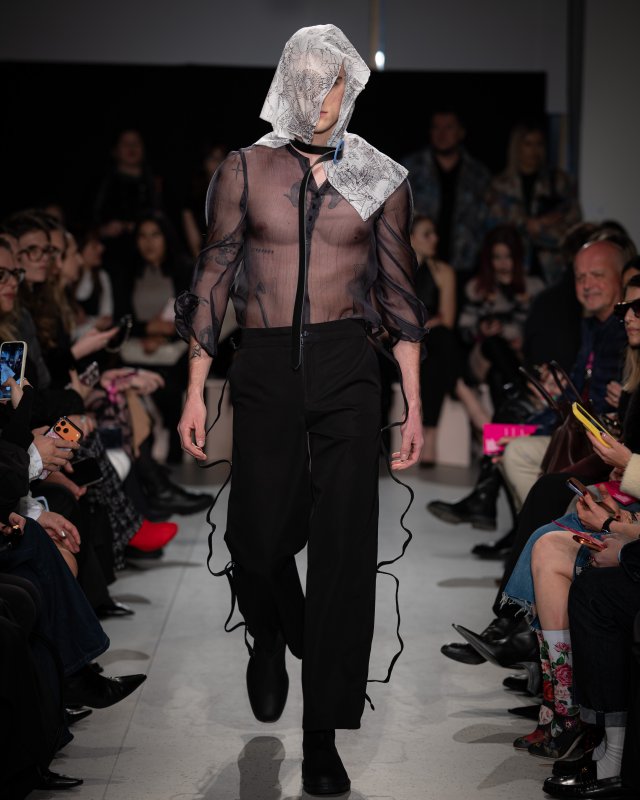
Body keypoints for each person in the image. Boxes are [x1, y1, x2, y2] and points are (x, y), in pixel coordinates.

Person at [174, 24, 427, 797]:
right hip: (262, 364)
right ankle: (271, 629)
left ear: (350, 85)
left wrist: (415, 401)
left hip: (349, 365)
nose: (320, 96)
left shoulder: (377, 174)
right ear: (288, 82)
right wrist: (195, 387)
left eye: (333, 80)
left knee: (345, 549)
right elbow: (213, 278)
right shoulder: (246, 167)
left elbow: (400, 293)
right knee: (254, 537)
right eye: (307, 79)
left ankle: (323, 742)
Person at [486, 120, 582, 285]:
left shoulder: (558, 182)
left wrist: (542, 228)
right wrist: (528, 224)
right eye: (528, 144)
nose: (534, 150)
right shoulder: (500, 185)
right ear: (517, 147)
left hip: (552, 268)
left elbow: (573, 224)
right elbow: (494, 224)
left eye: (539, 144)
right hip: (511, 267)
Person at [400, 108, 491, 282]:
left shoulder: (478, 175)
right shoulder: (411, 168)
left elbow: (486, 221)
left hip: (466, 265)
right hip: (419, 265)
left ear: (461, 132)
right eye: (436, 127)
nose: (442, 134)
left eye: (449, 127)